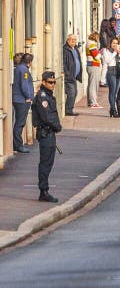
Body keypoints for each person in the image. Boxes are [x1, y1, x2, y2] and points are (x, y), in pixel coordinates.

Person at [31, 70, 62, 202]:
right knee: (45, 163)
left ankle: (44, 189)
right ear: (43, 82)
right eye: (50, 82)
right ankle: (43, 191)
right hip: (46, 132)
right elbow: (47, 116)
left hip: (49, 133)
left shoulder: (48, 95)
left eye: (54, 82)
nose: (52, 85)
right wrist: (57, 126)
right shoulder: (43, 96)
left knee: (49, 162)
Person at [12, 53, 34, 153]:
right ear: (29, 62)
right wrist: (28, 97)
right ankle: (18, 146)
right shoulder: (24, 70)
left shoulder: (19, 68)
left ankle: (17, 145)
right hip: (22, 100)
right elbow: (24, 85)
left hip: (19, 99)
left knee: (19, 123)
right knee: (20, 123)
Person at [101, 38, 120, 118]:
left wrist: (119, 53)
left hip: (118, 71)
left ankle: (111, 110)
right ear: (110, 43)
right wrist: (115, 52)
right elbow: (107, 60)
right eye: (113, 43)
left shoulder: (118, 50)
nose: (115, 45)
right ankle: (114, 109)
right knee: (112, 92)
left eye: (116, 43)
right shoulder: (106, 50)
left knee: (115, 92)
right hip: (110, 71)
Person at [62, 33, 82, 116]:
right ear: (68, 40)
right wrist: (67, 73)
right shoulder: (65, 49)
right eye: (72, 40)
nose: (74, 41)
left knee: (75, 92)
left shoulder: (76, 49)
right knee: (72, 93)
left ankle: (69, 109)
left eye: (75, 40)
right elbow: (64, 63)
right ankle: (68, 110)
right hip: (69, 76)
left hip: (74, 76)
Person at [85, 33, 102, 109]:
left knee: (91, 84)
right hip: (94, 65)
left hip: (90, 65)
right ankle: (93, 102)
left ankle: (90, 102)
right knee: (93, 85)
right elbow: (97, 56)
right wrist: (100, 53)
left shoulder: (89, 43)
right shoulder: (92, 44)